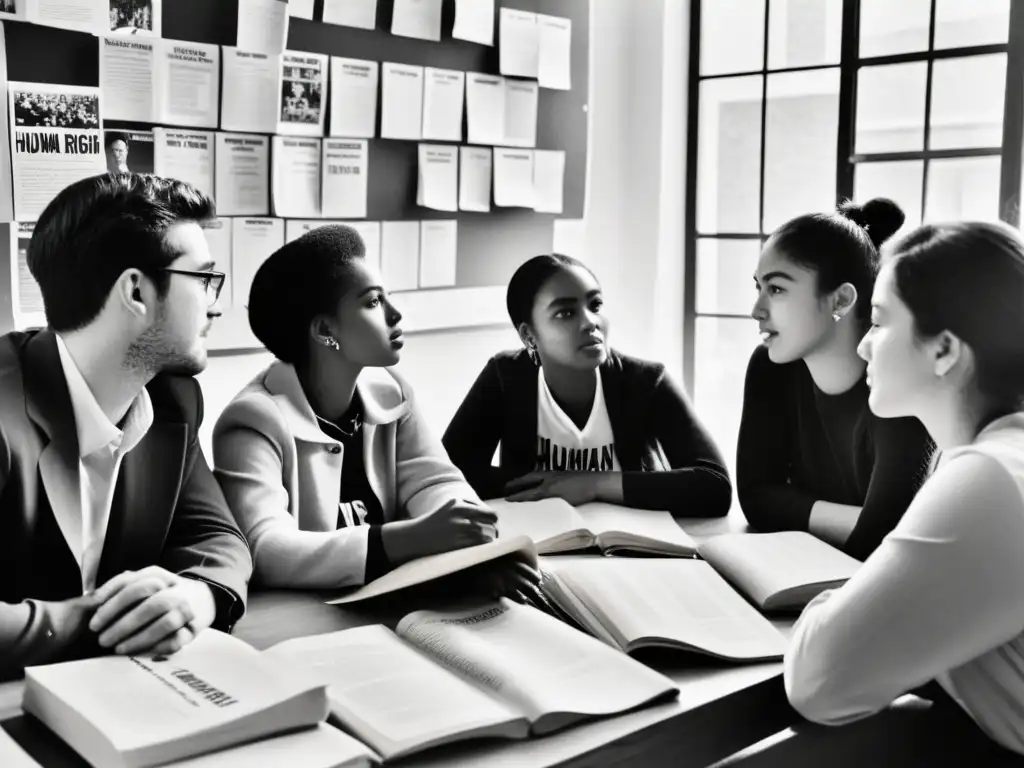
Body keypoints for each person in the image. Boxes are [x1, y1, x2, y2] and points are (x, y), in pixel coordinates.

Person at [784, 221, 1024, 758]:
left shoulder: (991, 479)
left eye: (880, 322)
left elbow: (818, 683)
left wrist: (842, 600)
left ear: (943, 349)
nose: (865, 347)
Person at [0, 174, 252, 680]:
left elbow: (218, 536)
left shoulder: (174, 398)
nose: (216, 302)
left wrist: (197, 597)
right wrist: (104, 621)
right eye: (203, 279)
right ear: (136, 291)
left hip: (128, 694)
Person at [213, 226, 536, 593]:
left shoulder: (390, 393)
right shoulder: (252, 421)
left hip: (395, 600)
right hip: (305, 621)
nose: (395, 314)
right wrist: (411, 538)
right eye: (372, 302)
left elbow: (438, 484)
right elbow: (265, 549)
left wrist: (468, 552)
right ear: (323, 330)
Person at [442, 254, 731, 516]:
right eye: (566, 313)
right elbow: (446, 476)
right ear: (530, 336)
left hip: (631, 547)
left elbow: (715, 486)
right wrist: (546, 487)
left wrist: (592, 484)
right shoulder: (505, 377)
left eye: (595, 305)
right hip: (544, 546)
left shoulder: (646, 382)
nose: (591, 322)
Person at [738, 199, 934, 559]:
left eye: (777, 289)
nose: (757, 310)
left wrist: (799, 509)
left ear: (841, 299)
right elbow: (756, 499)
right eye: (758, 288)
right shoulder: (770, 366)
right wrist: (865, 522)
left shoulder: (896, 381)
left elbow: (887, 544)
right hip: (813, 566)